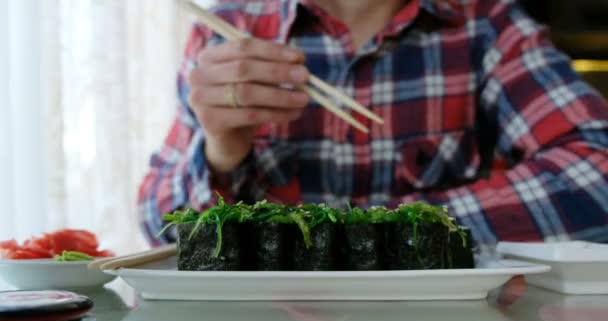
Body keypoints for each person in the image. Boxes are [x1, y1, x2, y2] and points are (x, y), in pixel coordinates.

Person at [138, 0, 608, 246]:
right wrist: (220, 152)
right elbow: (159, 224)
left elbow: (596, 172)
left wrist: (382, 232)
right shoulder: (230, 27)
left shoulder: (486, 23)